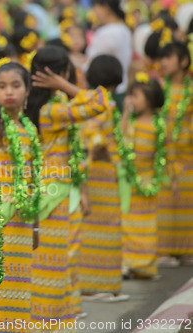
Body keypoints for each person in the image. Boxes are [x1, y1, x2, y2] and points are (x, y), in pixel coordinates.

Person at [27, 45, 111, 327]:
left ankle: (60, 311)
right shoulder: (53, 110)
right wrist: (65, 84)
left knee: (54, 256)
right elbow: (101, 103)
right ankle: (51, 316)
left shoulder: (36, 105)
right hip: (56, 191)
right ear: (60, 74)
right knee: (55, 258)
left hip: (50, 188)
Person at [0, 60, 35, 332]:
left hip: (23, 220)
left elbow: (33, 180)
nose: (9, 92)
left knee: (19, 280)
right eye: (1, 86)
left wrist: (36, 223)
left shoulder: (30, 130)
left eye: (16, 85)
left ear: (27, 90)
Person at [79, 55, 128, 302]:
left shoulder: (88, 98)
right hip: (101, 173)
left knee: (91, 228)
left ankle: (91, 284)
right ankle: (97, 286)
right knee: (105, 227)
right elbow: (93, 132)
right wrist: (103, 152)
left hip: (92, 172)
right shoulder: (105, 102)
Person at [120, 73, 165, 280]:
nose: (131, 100)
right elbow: (120, 139)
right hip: (131, 182)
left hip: (149, 181)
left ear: (149, 98)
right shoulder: (132, 123)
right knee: (128, 225)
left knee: (147, 226)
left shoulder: (158, 126)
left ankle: (146, 265)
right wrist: (125, 114)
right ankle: (129, 263)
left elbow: (163, 154)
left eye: (135, 96)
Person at [156, 42, 193, 266]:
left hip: (188, 154)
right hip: (164, 154)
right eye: (162, 58)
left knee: (188, 203)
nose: (163, 62)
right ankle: (165, 251)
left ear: (183, 61)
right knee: (165, 202)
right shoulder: (158, 88)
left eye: (168, 58)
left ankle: (188, 250)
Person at [86, 0, 132, 109]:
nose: (94, 13)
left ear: (106, 7)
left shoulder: (107, 32)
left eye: (95, 8)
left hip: (105, 93)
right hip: (120, 89)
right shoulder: (123, 28)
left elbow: (95, 64)